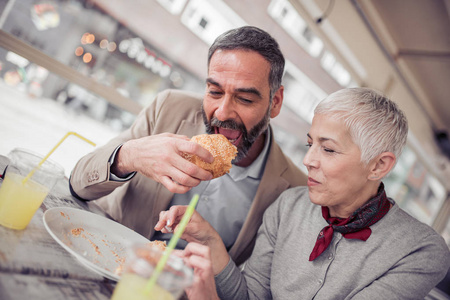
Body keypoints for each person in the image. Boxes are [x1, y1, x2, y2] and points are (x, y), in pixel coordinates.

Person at [159, 87, 450, 300]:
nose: (308, 160)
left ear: (378, 165)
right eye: (310, 143)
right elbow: (250, 297)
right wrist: (210, 239)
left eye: (328, 148)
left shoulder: (421, 251)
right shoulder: (288, 206)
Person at [69, 26, 307, 266]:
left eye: (245, 99)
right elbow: (78, 184)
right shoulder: (168, 108)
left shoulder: (295, 191)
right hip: (104, 256)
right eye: (214, 91)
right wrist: (129, 156)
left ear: (275, 102)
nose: (223, 112)